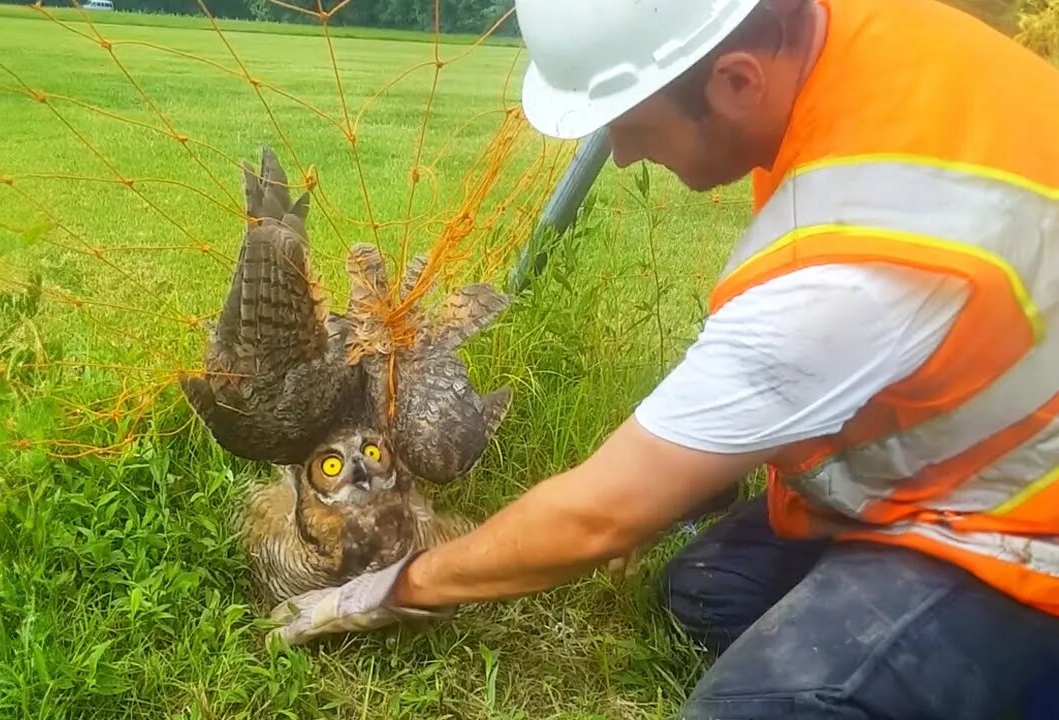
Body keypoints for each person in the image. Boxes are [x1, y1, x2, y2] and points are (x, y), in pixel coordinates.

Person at [266, 0, 1059, 717]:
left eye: (630, 126)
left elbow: (594, 519)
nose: (619, 157)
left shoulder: (852, 270)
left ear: (736, 82)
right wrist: (676, 479)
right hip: (951, 462)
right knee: (706, 591)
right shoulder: (848, 33)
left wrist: (389, 590)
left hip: (1016, 532)